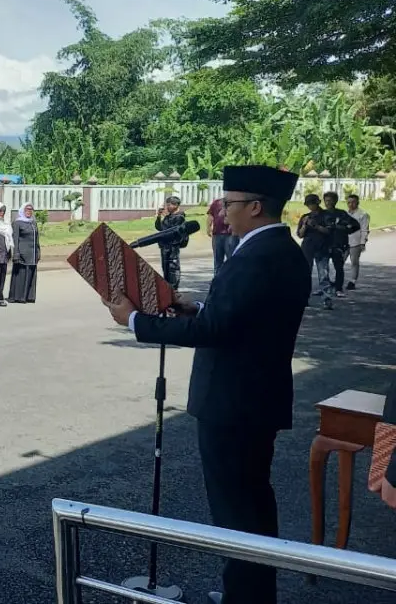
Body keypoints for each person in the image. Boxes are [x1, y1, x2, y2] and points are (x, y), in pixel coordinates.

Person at [104, 165, 307, 604]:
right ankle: (247, 594)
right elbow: (239, 319)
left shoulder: (258, 255)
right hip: (252, 399)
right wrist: (195, 305)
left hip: (234, 403)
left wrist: (135, 321)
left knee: (238, 511)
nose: (220, 212)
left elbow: (216, 332)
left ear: (255, 207)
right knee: (251, 505)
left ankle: (246, 598)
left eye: (228, 204)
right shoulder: (277, 250)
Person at [297, 194, 334, 310]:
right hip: (307, 248)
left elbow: (329, 231)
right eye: (308, 204)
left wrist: (315, 225)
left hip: (322, 248)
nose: (310, 206)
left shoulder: (326, 215)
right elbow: (300, 234)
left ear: (317, 203)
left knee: (323, 274)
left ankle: (327, 299)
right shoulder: (305, 216)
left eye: (312, 203)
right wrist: (305, 225)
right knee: (305, 274)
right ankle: (304, 298)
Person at [320, 191, 360, 296]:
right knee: (323, 268)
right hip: (324, 244)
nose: (328, 203)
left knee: (338, 267)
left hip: (338, 244)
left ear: (335, 201)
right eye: (326, 200)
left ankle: (338, 289)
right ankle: (324, 288)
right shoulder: (322, 214)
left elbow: (355, 225)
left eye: (330, 200)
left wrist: (343, 229)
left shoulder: (341, 214)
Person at [155, 195, 188, 290]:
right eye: (167, 204)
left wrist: (166, 217)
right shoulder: (169, 217)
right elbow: (160, 228)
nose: (167, 207)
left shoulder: (180, 217)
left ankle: (174, 288)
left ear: (176, 205)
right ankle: (167, 288)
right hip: (164, 246)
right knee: (165, 268)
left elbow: (170, 230)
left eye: (169, 205)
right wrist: (158, 217)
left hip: (173, 246)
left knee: (173, 268)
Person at [9, 203, 39, 303]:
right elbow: (15, 239)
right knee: (21, 275)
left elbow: (37, 239)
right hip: (22, 253)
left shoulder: (33, 223)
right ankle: (18, 296)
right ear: (22, 210)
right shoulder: (17, 223)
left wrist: (38, 251)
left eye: (31, 209)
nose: (29, 211)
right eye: (27, 209)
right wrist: (16, 253)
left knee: (31, 274)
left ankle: (29, 296)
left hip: (32, 253)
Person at [206, 197, 238, 275]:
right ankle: (217, 281)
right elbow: (210, 215)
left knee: (231, 259)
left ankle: (231, 280)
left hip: (230, 235)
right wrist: (208, 227)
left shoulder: (235, 202)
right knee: (217, 261)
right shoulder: (216, 202)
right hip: (217, 234)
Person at [345, 193, 370, 290]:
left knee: (354, 261)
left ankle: (352, 281)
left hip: (356, 241)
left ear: (357, 203)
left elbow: (365, 229)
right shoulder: (345, 214)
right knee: (339, 260)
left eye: (353, 202)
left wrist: (362, 242)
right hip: (345, 241)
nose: (351, 204)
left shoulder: (363, 215)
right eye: (349, 202)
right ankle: (337, 280)